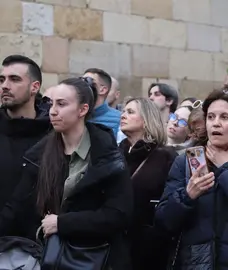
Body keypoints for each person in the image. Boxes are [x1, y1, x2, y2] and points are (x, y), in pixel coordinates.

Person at [1, 77, 133, 269]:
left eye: (62, 104)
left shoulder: (106, 153)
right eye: (52, 103)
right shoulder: (40, 154)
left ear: (83, 109)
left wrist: (63, 223)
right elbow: (16, 207)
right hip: (50, 257)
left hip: (97, 258)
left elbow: (118, 214)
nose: (53, 111)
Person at [155, 90, 228, 269]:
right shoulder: (185, 161)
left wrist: (226, 167)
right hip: (196, 262)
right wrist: (187, 195)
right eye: (211, 117)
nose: (216, 123)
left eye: (224, 117)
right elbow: (164, 220)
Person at [119, 97, 177, 269]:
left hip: (150, 248)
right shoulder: (114, 154)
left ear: (146, 120)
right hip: (116, 241)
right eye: (123, 111)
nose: (123, 115)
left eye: (130, 112)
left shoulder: (166, 157)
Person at [0, 55, 51, 237]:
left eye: (14, 79)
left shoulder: (53, 134)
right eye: (2, 79)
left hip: (39, 246)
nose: (5, 85)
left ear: (34, 87)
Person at [83, 68, 121, 135]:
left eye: (88, 81)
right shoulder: (74, 115)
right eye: (81, 81)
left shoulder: (120, 119)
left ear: (103, 90)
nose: (83, 85)